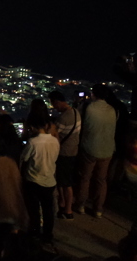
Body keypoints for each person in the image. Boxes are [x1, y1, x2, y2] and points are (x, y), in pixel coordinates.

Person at [76, 83, 118, 217]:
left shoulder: (88, 107)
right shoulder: (113, 110)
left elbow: (80, 121)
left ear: (94, 94)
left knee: (85, 178)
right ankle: (98, 209)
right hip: (107, 149)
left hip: (89, 147)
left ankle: (80, 205)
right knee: (101, 180)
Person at [20, 112, 59, 247]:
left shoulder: (33, 142)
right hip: (49, 180)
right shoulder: (55, 141)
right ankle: (48, 235)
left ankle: (35, 233)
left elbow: (24, 160)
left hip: (33, 180)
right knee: (48, 210)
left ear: (33, 126)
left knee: (34, 210)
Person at [48, 90, 81, 219]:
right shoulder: (75, 112)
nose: (54, 107)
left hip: (64, 153)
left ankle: (68, 210)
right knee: (64, 181)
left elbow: (53, 135)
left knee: (66, 183)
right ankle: (64, 204)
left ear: (57, 102)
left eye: (53, 104)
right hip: (73, 151)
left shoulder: (63, 118)